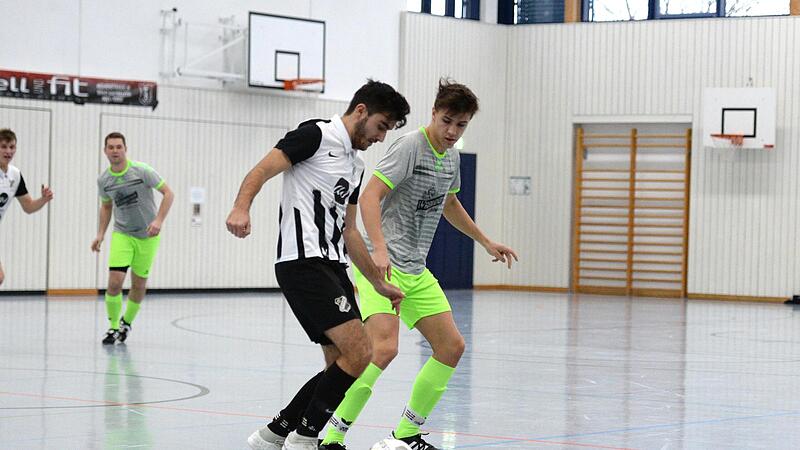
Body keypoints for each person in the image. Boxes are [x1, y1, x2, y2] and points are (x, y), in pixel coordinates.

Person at [320, 79, 519, 450]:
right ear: (433, 113)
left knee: (451, 347)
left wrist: (486, 240)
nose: (451, 131)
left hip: (416, 269)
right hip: (384, 268)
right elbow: (369, 198)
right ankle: (331, 436)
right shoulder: (411, 145)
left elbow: (449, 204)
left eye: (461, 126)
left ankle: (405, 434)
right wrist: (378, 251)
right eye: (447, 121)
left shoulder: (453, 156)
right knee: (382, 349)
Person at [226, 80, 410, 450]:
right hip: (302, 262)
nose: (380, 137)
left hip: (334, 265)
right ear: (361, 111)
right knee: (361, 352)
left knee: (339, 364)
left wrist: (377, 282)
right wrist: (241, 206)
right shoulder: (315, 136)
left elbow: (349, 231)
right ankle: (305, 438)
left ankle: (273, 434)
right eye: (381, 126)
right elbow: (261, 170)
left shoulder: (356, 166)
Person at [91, 132, 174, 345]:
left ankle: (126, 322)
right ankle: (112, 327)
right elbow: (106, 206)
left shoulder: (142, 171)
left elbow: (168, 193)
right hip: (123, 234)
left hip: (147, 236)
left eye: (119, 147)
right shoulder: (104, 180)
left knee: (138, 285)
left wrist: (158, 221)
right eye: (111, 147)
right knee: (115, 282)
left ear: (125, 149)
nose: (115, 151)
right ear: (105, 151)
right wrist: (100, 234)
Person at [0, 128, 54, 286]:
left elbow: (28, 207)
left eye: (12, 147)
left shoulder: (14, 175)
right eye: (3, 146)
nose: (8, 151)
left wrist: (43, 199)